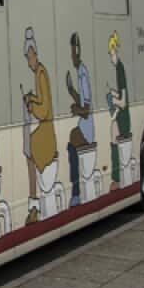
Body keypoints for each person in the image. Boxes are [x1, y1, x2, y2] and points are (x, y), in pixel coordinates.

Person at [21, 28, 57, 224]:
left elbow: (44, 110)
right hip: (44, 128)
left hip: (46, 130)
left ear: (34, 54)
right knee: (28, 150)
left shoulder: (41, 73)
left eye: (29, 57)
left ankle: (34, 206)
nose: (28, 61)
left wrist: (31, 105)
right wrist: (31, 97)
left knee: (29, 154)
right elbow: (42, 99)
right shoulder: (40, 72)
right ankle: (33, 204)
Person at [64, 33, 94, 206]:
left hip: (87, 128)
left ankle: (75, 192)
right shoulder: (80, 72)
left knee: (72, 139)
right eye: (71, 53)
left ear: (79, 51)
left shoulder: (83, 73)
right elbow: (81, 100)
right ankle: (75, 189)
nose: (72, 56)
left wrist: (77, 110)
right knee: (71, 138)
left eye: (74, 52)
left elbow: (87, 109)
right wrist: (70, 90)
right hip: (84, 125)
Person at [107, 32, 130, 191]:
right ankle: (116, 178)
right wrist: (113, 93)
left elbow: (124, 102)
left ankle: (117, 178)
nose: (111, 57)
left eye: (112, 53)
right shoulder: (118, 69)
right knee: (112, 133)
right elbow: (121, 94)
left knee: (113, 133)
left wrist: (113, 99)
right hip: (121, 115)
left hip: (124, 117)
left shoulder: (120, 69)